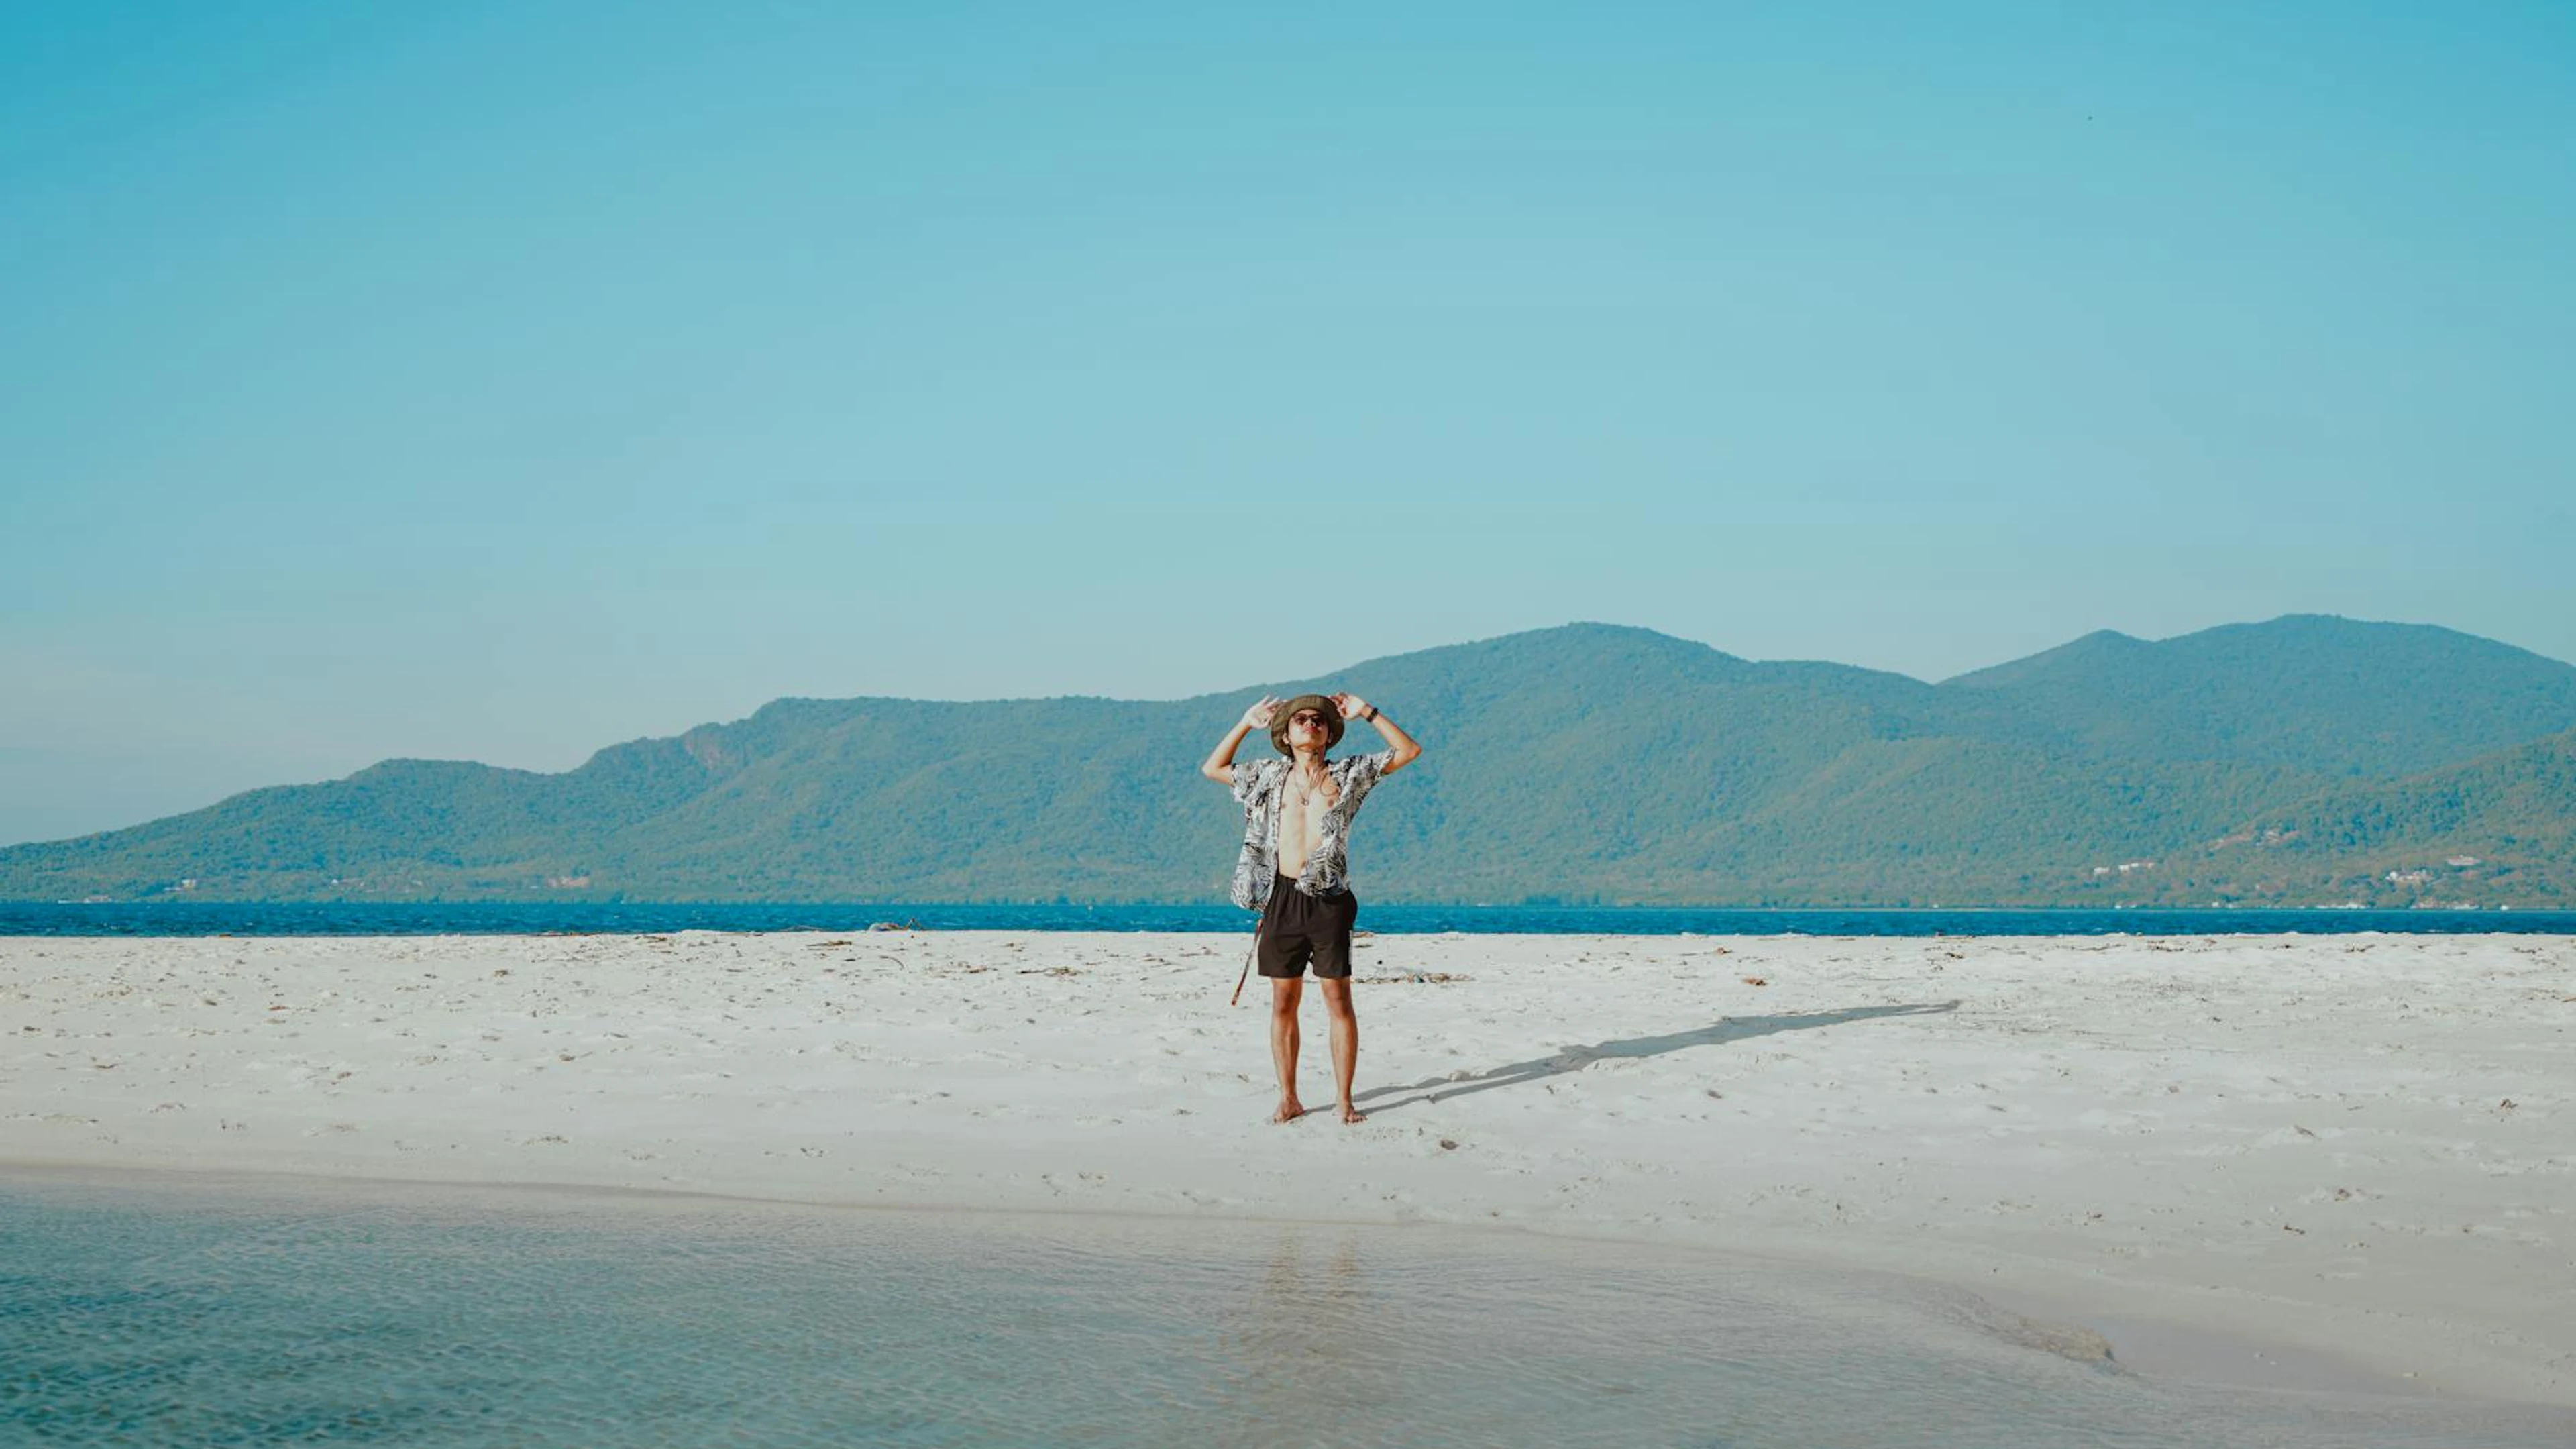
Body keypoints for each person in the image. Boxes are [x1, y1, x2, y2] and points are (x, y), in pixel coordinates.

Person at [1200, 692, 1423, 1124]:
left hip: (1328, 897)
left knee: (1337, 997)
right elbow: (1213, 768)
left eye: (1317, 720)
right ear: (1285, 734)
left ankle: (1344, 1100)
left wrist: (1368, 713)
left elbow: (1408, 751)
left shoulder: (1348, 774)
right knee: (1283, 1000)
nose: (1310, 723)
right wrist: (1246, 723)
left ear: (1328, 734)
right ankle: (1289, 1097)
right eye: (1300, 719)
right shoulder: (1266, 776)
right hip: (1280, 896)